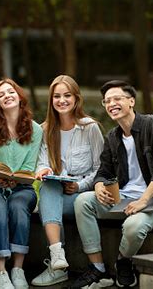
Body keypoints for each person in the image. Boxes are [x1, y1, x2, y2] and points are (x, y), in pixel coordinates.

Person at [71, 80, 153, 288]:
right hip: (121, 199)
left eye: (117, 98)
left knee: (133, 227)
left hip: (152, 201)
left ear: (131, 101)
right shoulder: (112, 137)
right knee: (83, 201)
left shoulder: (152, 125)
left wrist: (143, 200)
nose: (112, 103)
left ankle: (123, 261)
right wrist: (99, 185)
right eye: (107, 101)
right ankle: (97, 267)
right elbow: (103, 172)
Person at [30, 75, 104, 287]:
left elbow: (101, 169)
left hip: (83, 198)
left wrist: (79, 186)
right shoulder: (44, 130)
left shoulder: (90, 128)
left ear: (76, 98)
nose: (62, 100)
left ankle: (56, 269)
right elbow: (42, 162)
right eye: (57, 96)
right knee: (48, 185)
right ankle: (57, 256)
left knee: (47, 198)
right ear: (51, 100)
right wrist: (43, 170)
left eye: (67, 95)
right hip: (57, 195)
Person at [0, 78, 43, 289]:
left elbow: (30, 165)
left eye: (10, 92)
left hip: (22, 187)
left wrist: (16, 179)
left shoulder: (35, 129)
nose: (7, 96)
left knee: (17, 206)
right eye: (1, 95)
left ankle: (17, 269)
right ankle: (1, 272)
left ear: (19, 96)